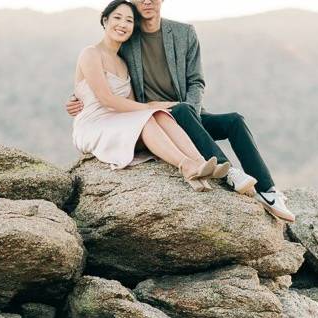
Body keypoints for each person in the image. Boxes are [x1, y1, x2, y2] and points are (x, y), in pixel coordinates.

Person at [67, 0, 295, 222]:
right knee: (181, 111)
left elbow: (196, 81)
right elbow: (100, 80)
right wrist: (76, 98)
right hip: (156, 115)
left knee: (234, 121)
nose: (147, 1)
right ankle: (230, 173)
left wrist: (192, 113)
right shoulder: (127, 39)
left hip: (188, 112)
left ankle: (269, 191)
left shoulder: (184, 33)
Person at [72, 0, 228, 192]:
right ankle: (186, 165)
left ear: (132, 27)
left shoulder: (122, 62)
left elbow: (129, 103)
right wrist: (149, 106)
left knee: (160, 115)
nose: (123, 24)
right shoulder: (91, 53)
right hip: (94, 124)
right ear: (105, 20)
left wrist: (157, 108)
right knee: (147, 118)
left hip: (116, 121)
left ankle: (200, 162)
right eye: (117, 18)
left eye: (129, 20)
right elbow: (106, 99)